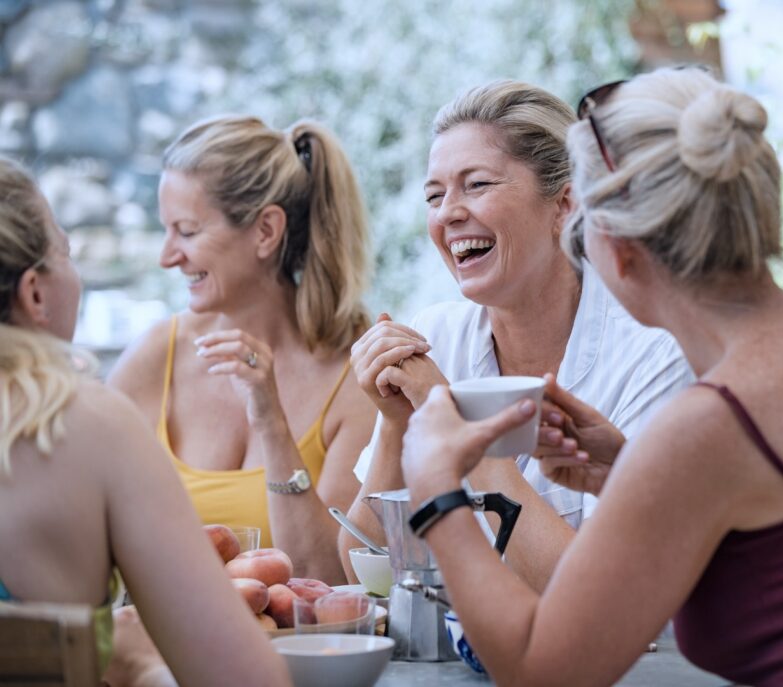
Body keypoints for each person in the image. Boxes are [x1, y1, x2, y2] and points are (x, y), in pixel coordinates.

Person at [396, 67, 783, 685]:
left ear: (619, 249)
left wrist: (436, 487)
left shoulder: (713, 420)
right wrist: (628, 469)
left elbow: (542, 671)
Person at [341, 80, 693, 591]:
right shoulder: (433, 337)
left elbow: (602, 594)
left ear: (564, 204)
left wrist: (454, 426)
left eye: (477, 185)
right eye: (434, 195)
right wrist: (399, 424)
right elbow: (364, 567)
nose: (448, 212)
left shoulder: (653, 353)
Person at [0, 156, 290, 686]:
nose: (166, 256)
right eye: (66, 252)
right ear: (34, 293)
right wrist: (141, 666)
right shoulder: (87, 424)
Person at [110, 115, 377, 583]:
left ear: (266, 231)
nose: (167, 257)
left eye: (187, 231)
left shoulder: (355, 375)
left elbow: (332, 580)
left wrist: (271, 422)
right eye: (166, 230)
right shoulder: (157, 354)